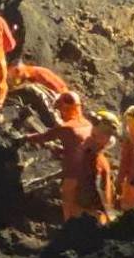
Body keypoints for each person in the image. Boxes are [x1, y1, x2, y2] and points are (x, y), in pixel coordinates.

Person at [25, 92, 93, 222]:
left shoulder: (66, 127)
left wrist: (24, 138)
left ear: (65, 109)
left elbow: (42, 137)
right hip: (90, 172)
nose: (60, 113)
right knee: (87, 206)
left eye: (60, 109)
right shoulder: (88, 125)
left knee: (69, 205)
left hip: (74, 175)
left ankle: (71, 231)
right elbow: (79, 148)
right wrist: (62, 151)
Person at [75, 110, 120, 224]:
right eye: (109, 134)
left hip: (85, 210)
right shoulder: (95, 159)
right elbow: (99, 188)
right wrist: (109, 214)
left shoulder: (86, 148)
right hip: (93, 214)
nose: (111, 138)